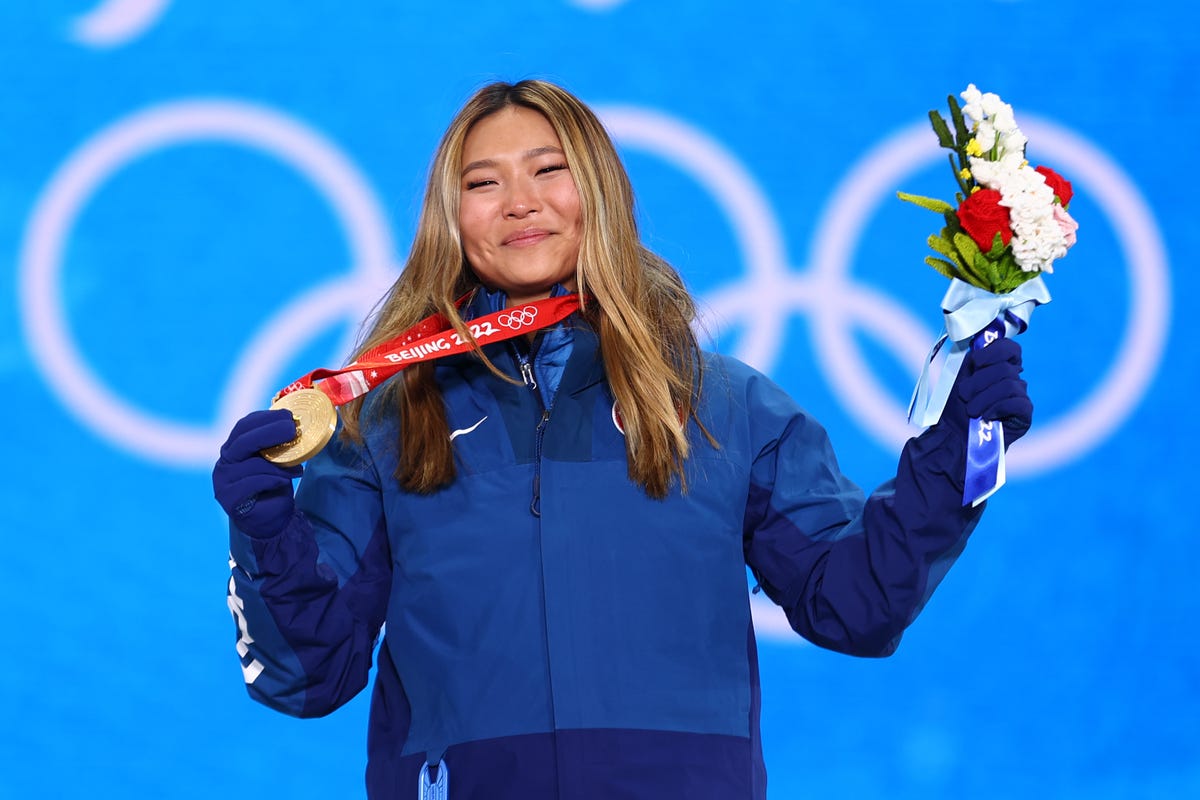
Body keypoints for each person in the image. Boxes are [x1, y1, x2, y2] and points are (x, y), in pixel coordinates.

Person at [213, 79, 1032, 800]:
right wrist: (265, 531)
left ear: (599, 191)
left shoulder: (723, 405)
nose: (519, 202)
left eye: (548, 170)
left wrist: (954, 460)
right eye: (482, 182)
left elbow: (857, 605)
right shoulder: (390, 422)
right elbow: (307, 676)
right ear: (450, 217)